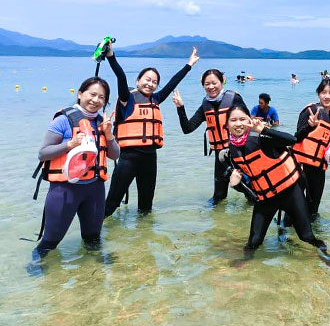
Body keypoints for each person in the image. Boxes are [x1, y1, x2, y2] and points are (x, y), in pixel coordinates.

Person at [218, 105, 330, 264]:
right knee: (253, 242)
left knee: (306, 236)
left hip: (290, 192)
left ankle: (324, 252)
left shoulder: (261, 138)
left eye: (242, 119)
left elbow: (292, 140)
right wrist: (236, 184)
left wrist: (265, 131)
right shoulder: (231, 153)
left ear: (250, 120)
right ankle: (244, 265)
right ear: (226, 124)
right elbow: (248, 188)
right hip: (266, 198)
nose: (238, 124)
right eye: (233, 120)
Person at [103, 43, 199, 217]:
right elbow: (120, 76)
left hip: (150, 159)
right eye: (147, 79)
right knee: (111, 204)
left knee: (146, 207)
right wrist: (111, 56)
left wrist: (189, 64)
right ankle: (93, 239)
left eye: (154, 82)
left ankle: (143, 241)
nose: (150, 83)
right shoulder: (128, 98)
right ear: (138, 81)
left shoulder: (156, 99)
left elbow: (172, 83)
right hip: (128, 159)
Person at [31, 77, 120, 261]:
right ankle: (36, 270)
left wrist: (109, 135)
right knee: (50, 241)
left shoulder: (102, 123)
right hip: (65, 190)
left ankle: (93, 272)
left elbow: (114, 155)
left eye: (101, 97)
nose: (96, 100)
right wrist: (69, 144)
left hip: (94, 189)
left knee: (93, 238)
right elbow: (43, 153)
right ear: (80, 94)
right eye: (92, 94)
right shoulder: (63, 120)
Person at [172, 69, 248, 205]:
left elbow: (247, 123)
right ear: (203, 86)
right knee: (218, 197)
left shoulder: (234, 98)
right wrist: (180, 108)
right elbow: (187, 128)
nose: (211, 87)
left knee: (250, 192)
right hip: (220, 155)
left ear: (221, 82)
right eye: (207, 84)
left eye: (214, 83)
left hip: (239, 151)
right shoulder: (205, 105)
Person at [291, 78, 330, 219]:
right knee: (295, 206)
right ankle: (286, 237)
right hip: (301, 165)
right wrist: (310, 126)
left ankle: (310, 235)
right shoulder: (311, 110)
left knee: (313, 208)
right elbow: (297, 137)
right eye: (324, 92)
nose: (327, 96)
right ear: (318, 94)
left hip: (319, 168)